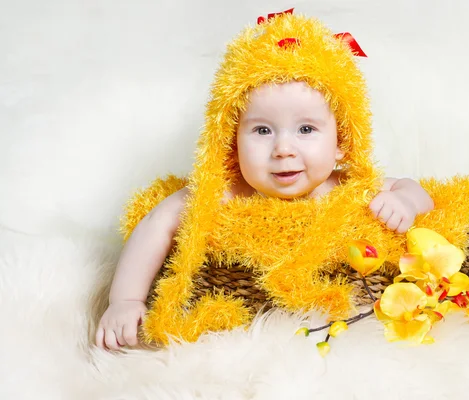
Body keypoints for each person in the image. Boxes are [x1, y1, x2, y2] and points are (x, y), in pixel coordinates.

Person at [95, 12, 434, 350]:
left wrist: (404, 200)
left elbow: (415, 190)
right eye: (262, 130)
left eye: (306, 129)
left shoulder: (347, 188)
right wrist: (124, 301)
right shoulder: (225, 194)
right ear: (231, 142)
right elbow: (157, 223)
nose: (283, 149)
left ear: (342, 144)